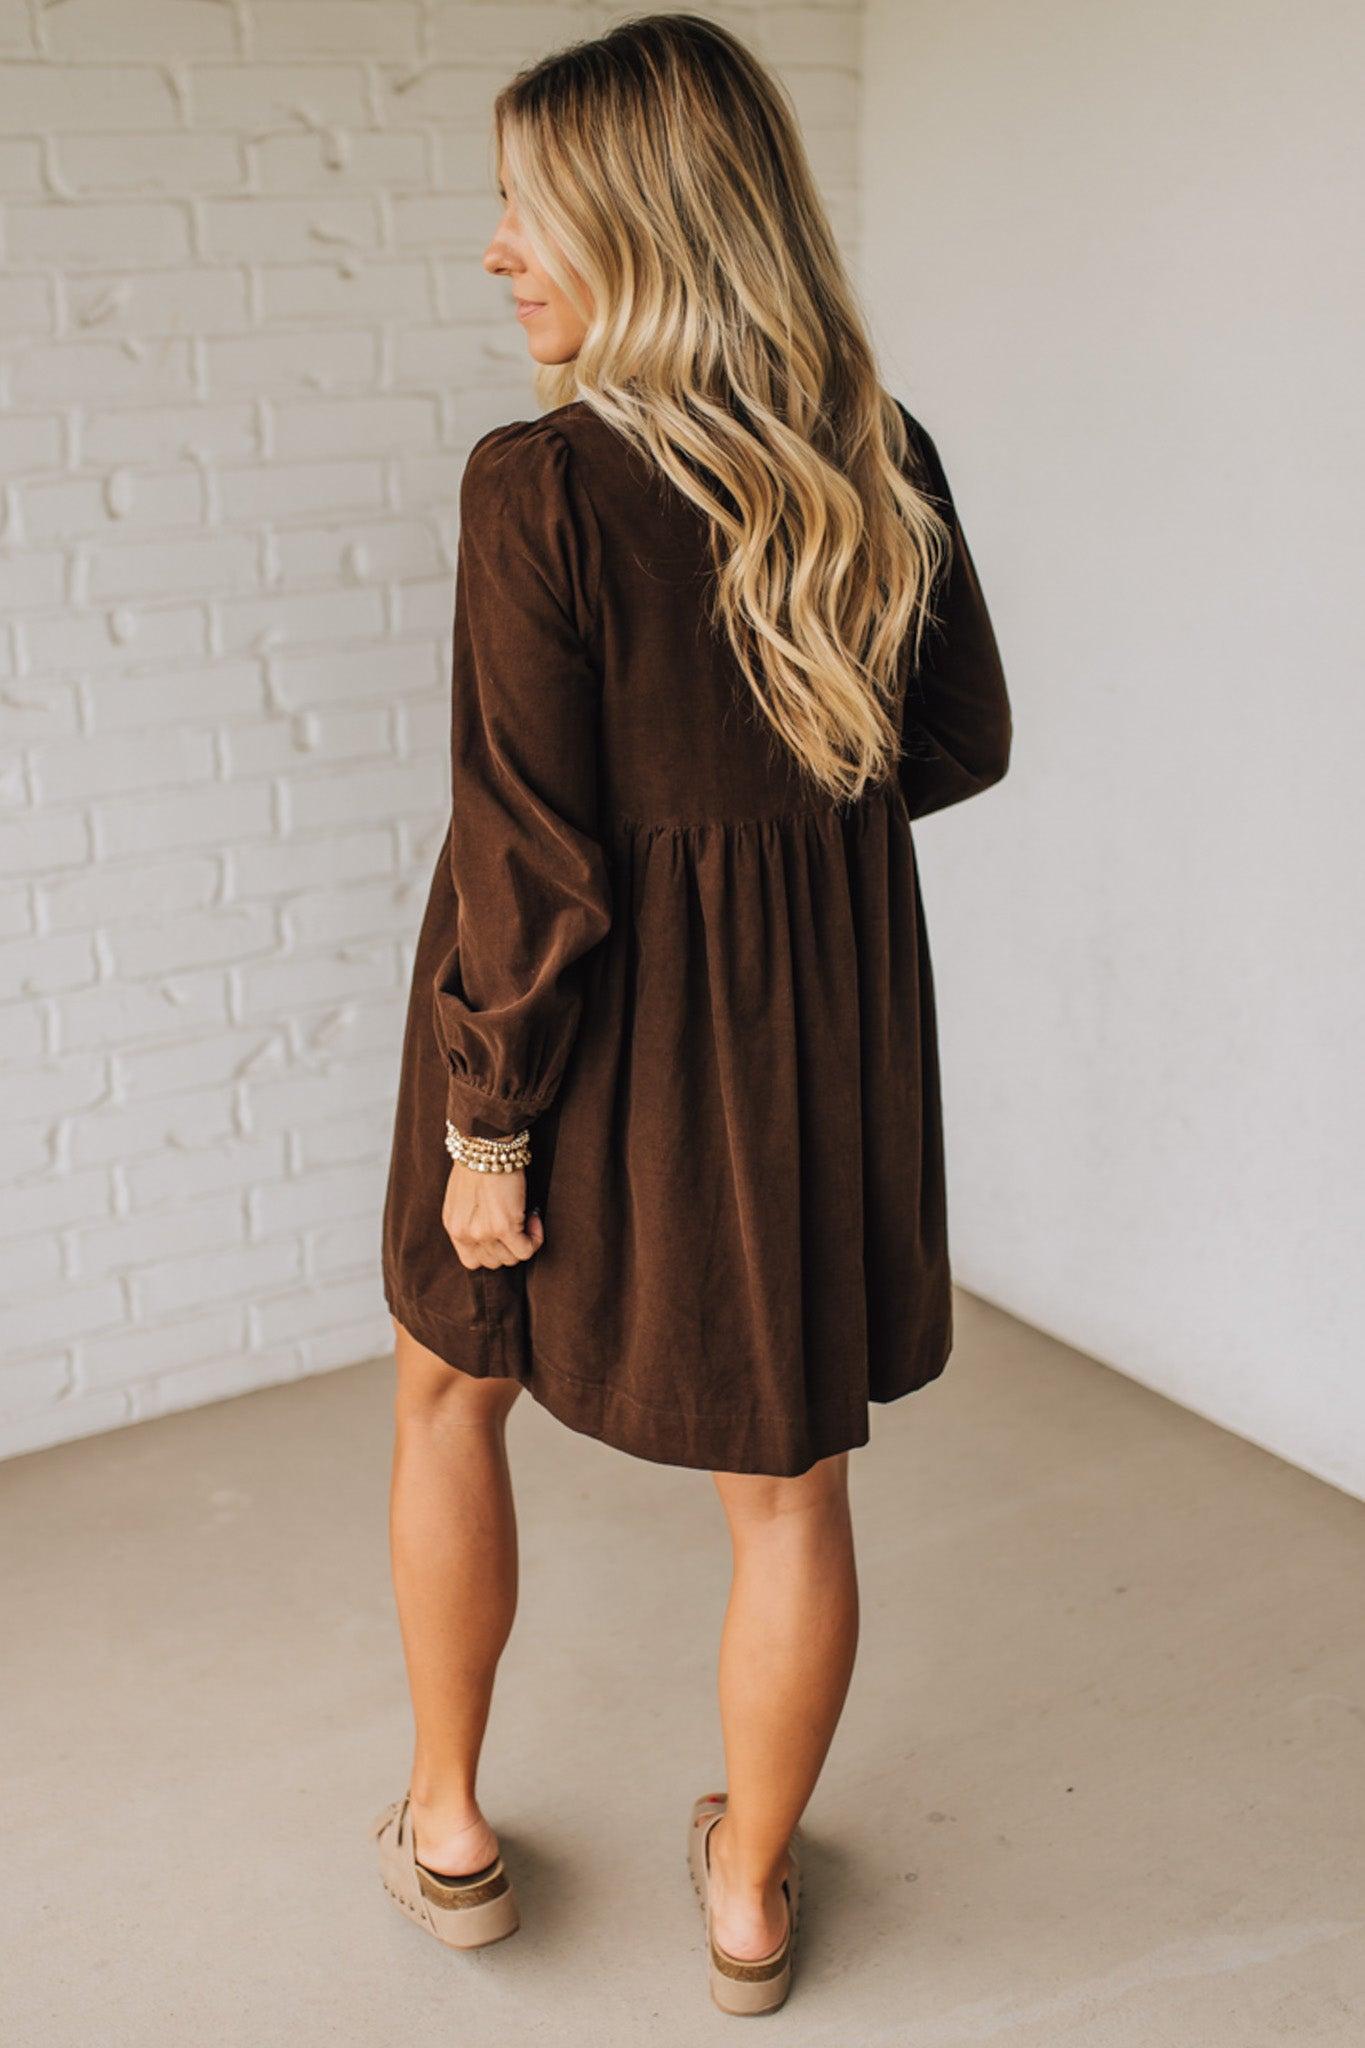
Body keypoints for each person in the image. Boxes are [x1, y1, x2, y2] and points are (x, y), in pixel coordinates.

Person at [376, 11, 1012, 2016]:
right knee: (789, 1482)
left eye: (523, 209)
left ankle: (449, 1824)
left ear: (641, 223)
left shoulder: (541, 485)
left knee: (439, 1389)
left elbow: (530, 853)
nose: (495, 250)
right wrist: (770, 837)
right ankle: (746, 1897)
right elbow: (956, 742)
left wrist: (490, 1133)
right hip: (804, 1045)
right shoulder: (871, 452)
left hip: (559, 1037)